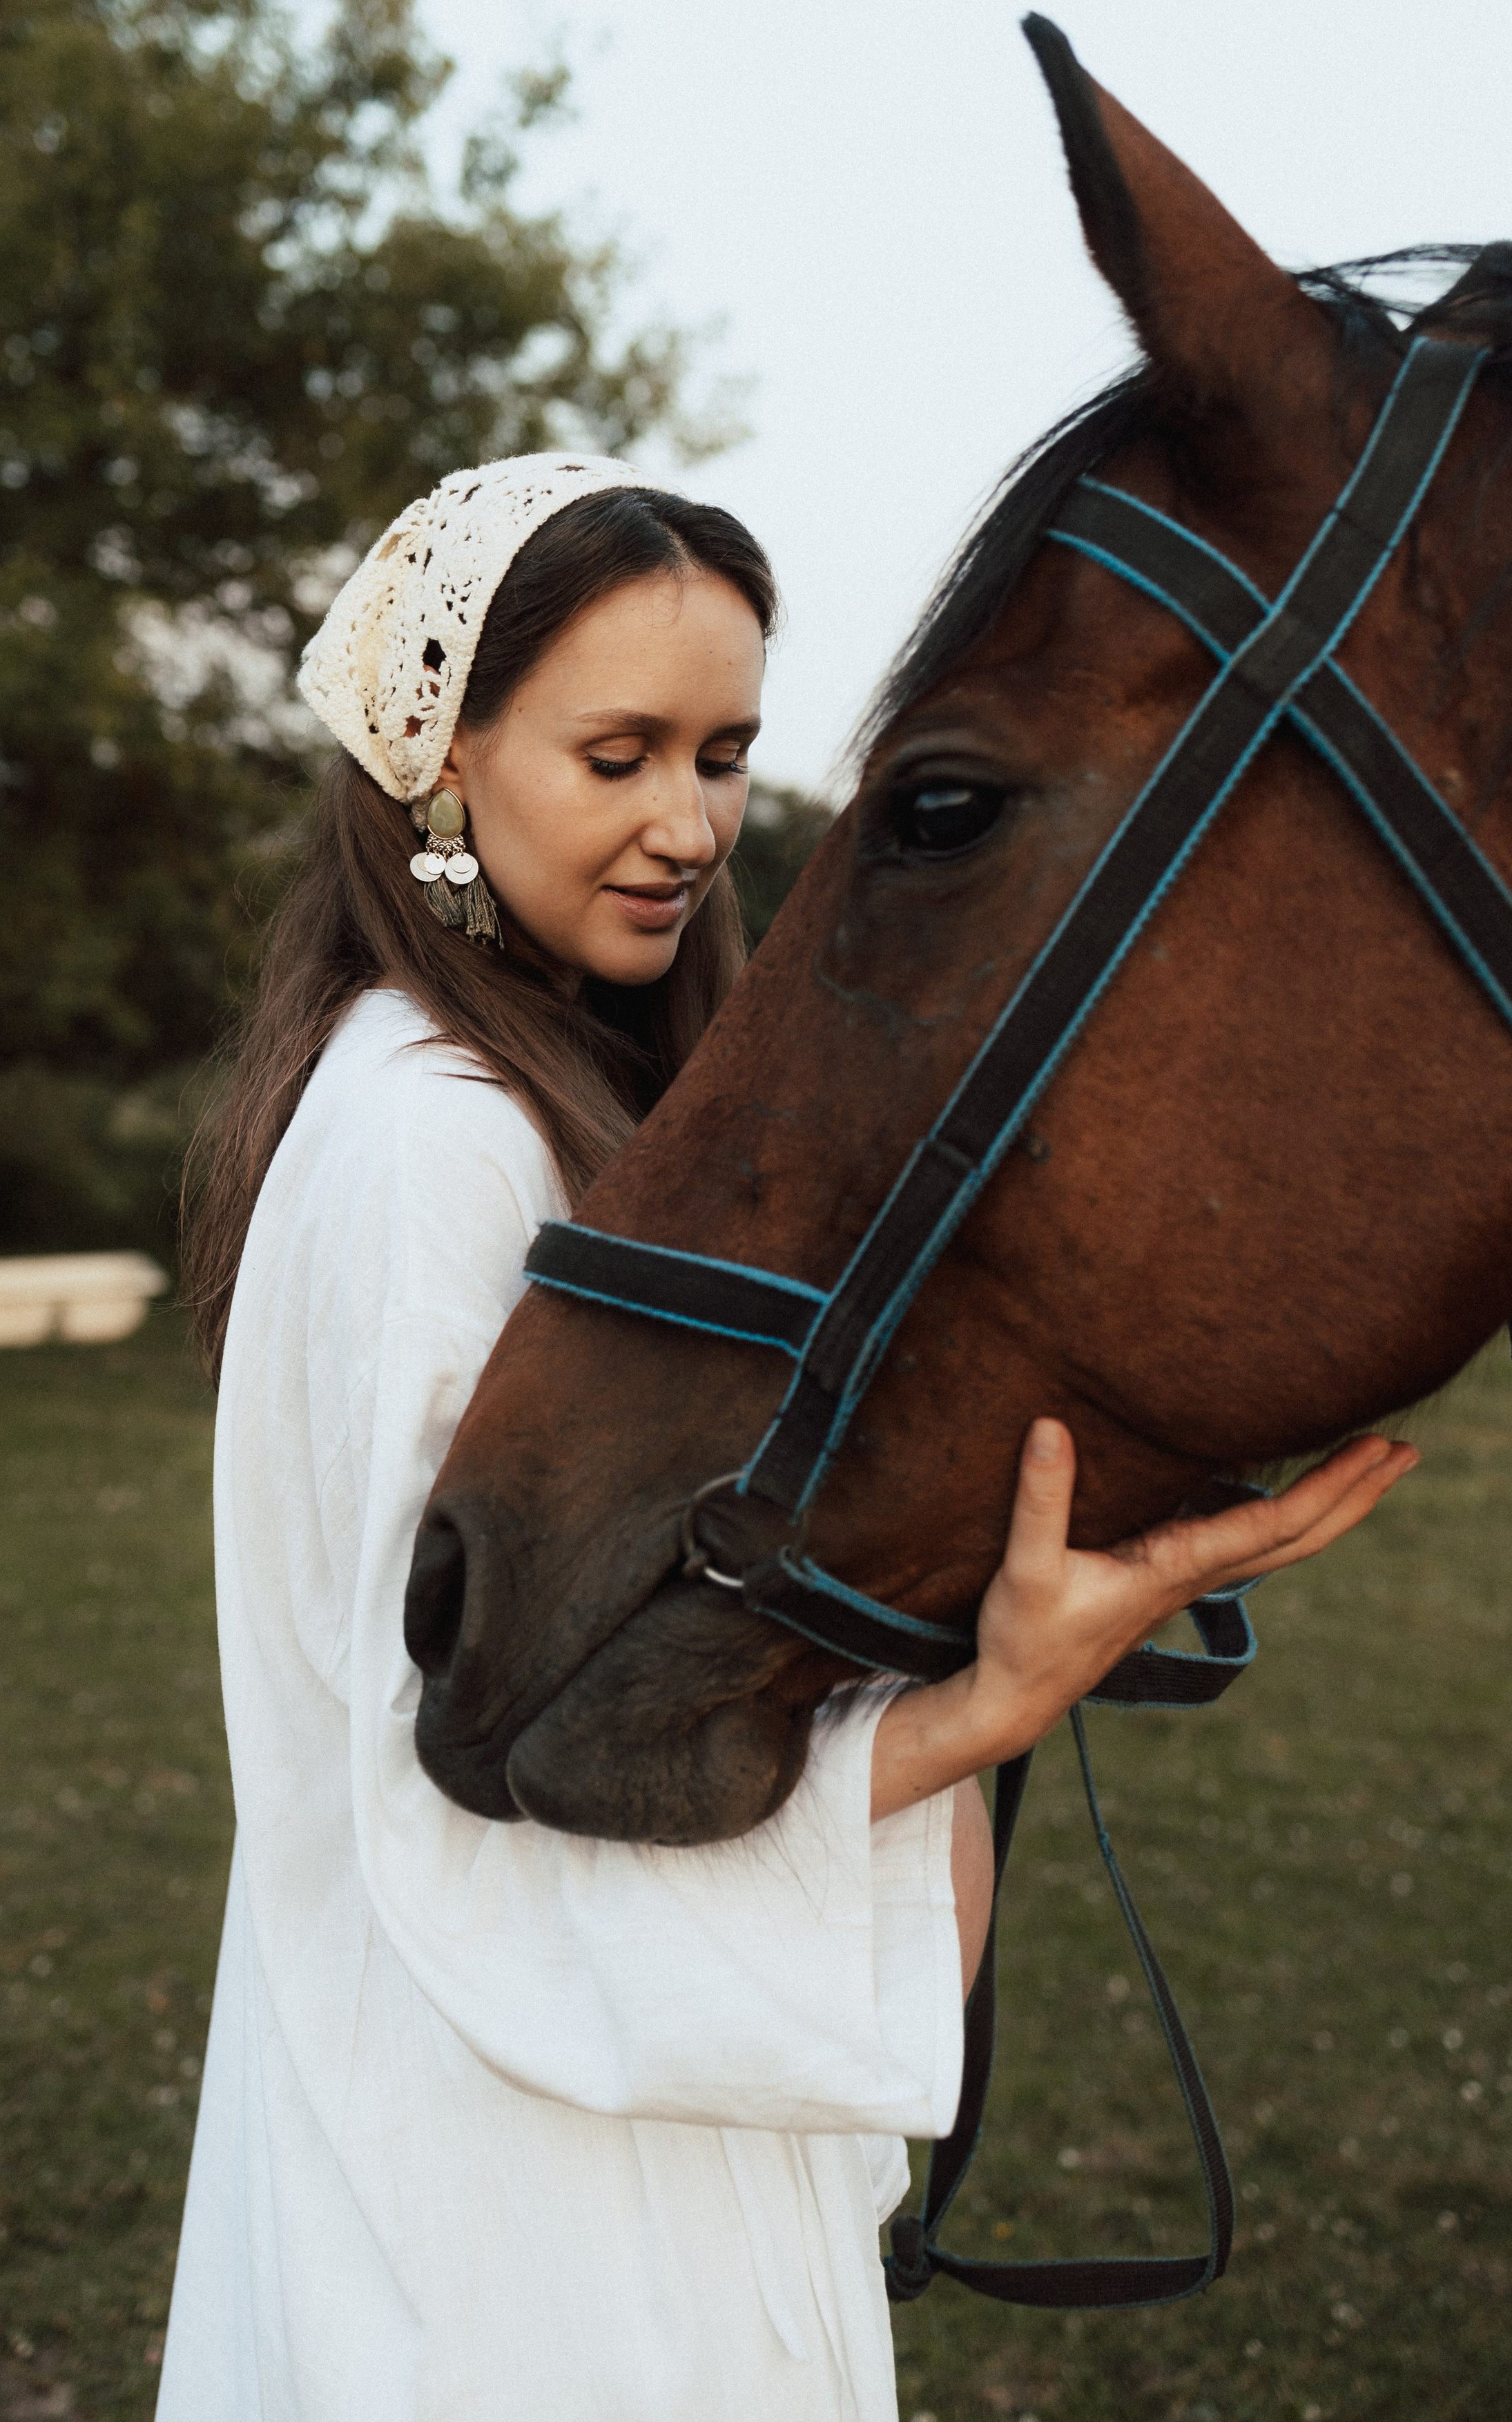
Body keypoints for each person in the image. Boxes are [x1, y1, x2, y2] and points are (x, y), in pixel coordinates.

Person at [157, 454, 1413, 2422]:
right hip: (504, 2223)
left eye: (725, 753)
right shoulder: (434, 1134)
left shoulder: (523, 1098)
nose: (689, 826)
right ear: (442, 759)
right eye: (618, 753)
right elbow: (451, 1783)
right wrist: (977, 1712)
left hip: (548, 2134)